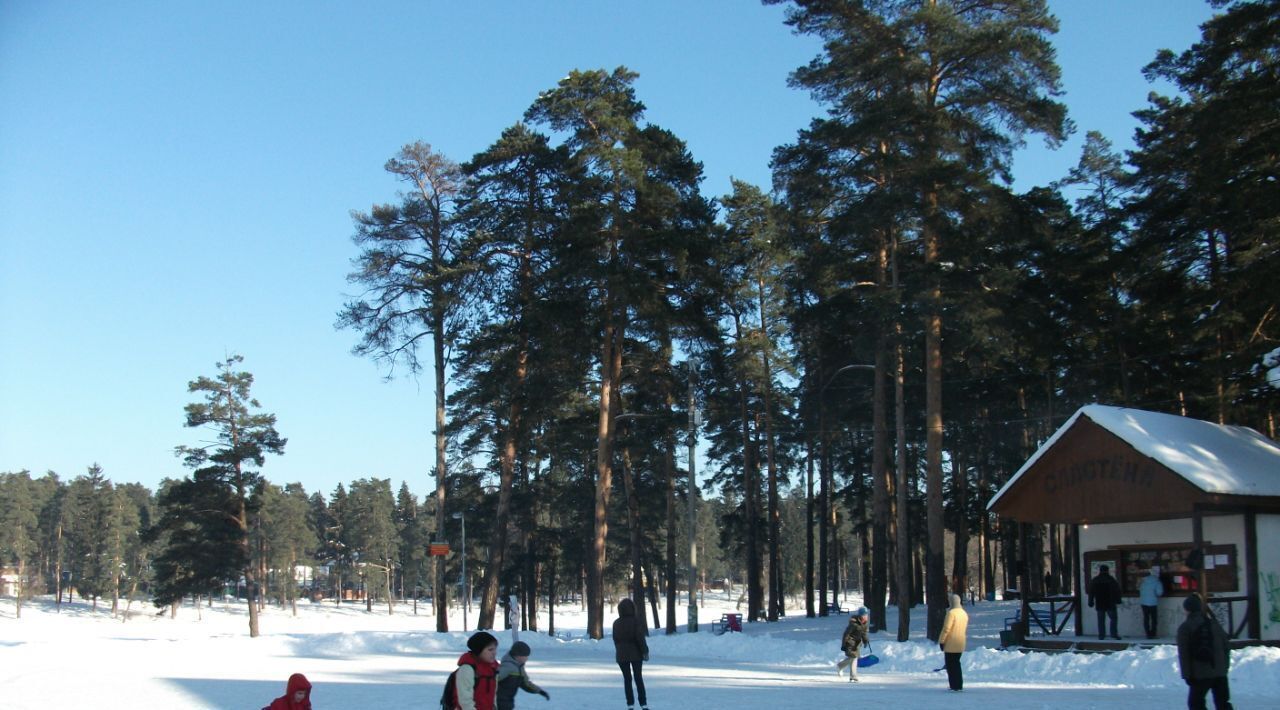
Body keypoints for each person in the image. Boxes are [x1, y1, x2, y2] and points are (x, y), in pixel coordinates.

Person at [1177, 595, 1233, 710]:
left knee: (1196, 703)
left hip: (1200, 673)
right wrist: (1224, 667)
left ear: (1187, 609)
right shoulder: (1213, 624)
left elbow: (1184, 655)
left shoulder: (1185, 628)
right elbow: (1226, 646)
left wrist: (1187, 675)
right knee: (1223, 703)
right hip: (1219, 671)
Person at [612, 598, 650, 710]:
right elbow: (640, 638)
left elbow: (615, 639)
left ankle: (630, 704)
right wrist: (645, 651)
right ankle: (643, 704)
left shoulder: (616, 623)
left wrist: (620, 650)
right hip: (636, 654)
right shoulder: (636, 621)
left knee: (627, 679)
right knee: (638, 678)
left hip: (622, 655)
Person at [451, 631, 500, 710]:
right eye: (490, 650)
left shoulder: (493, 669)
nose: (494, 653)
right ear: (478, 651)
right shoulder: (467, 669)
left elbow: (495, 695)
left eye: (495, 649)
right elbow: (465, 701)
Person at [496, 640, 549, 710]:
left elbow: (526, 683)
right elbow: (492, 679)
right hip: (498, 702)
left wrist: (539, 691)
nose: (527, 658)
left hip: (507, 702)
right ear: (518, 656)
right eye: (525, 656)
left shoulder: (519, 667)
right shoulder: (508, 666)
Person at [938, 594, 969, 691]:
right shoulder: (963, 613)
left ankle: (954, 685)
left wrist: (942, 641)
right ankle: (959, 684)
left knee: (950, 665)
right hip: (961, 642)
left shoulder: (951, 613)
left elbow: (946, 629)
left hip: (951, 643)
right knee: (957, 664)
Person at [1088, 564, 1122, 639]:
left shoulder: (1095, 580)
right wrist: (1118, 600)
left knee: (1101, 620)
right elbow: (1117, 591)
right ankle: (1113, 634)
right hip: (1110, 602)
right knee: (1113, 619)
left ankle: (1101, 635)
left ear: (1100, 571)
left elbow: (1091, 592)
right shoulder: (1111, 579)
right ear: (1107, 570)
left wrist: (1090, 602)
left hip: (1099, 602)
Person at [835, 607, 869, 682]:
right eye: (864, 615)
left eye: (866, 615)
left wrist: (865, 640)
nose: (866, 617)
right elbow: (846, 634)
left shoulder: (864, 624)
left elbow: (863, 633)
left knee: (853, 658)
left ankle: (840, 666)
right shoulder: (853, 624)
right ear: (860, 616)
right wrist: (844, 644)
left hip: (857, 644)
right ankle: (853, 676)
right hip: (850, 643)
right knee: (853, 657)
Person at [1139, 565, 1165, 639]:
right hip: (1153, 602)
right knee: (1154, 619)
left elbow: (1140, 590)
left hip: (1144, 602)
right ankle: (1153, 634)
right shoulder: (1157, 581)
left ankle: (1147, 634)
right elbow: (1159, 593)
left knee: (1146, 618)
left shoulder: (1143, 581)